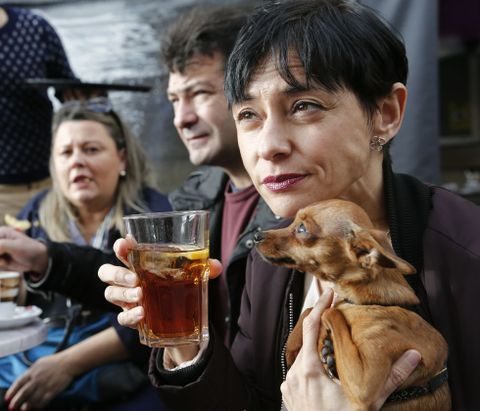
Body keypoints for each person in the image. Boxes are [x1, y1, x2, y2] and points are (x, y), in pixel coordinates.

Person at [98, 1, 479, 410]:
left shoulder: (465, 253)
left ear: (385, 114)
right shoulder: (269, 258)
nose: (269, 146)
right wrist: (190, 348)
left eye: (303, 106)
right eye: (248, 114)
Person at [0, 98, 170, 411]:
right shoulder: (35, 213)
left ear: (122, 159)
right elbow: (23, 303)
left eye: (91, 149)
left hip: (124, 363)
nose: (77, 161)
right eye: (66, 152)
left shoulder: (153, 214)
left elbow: (156, 316)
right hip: (40, 353)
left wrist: (66, 365)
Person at [161, 4, 279, 344]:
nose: (181, 118)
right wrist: (49, 260)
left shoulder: (295, 201)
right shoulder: (195, 194)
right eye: (173, 100)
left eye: (199, 94)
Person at [0, 5, 77, 224]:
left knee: (58, 256)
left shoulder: (34, 28)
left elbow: (69, 91)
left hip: (51, 183)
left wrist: (89, 96)